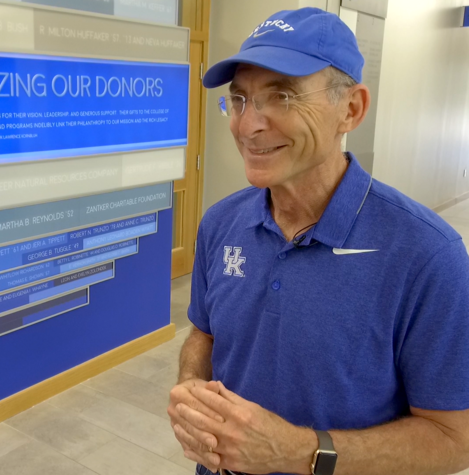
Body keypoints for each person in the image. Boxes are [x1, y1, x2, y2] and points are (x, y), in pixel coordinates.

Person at [167, 8, 469, 475]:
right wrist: (191, 388)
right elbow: (204, 334)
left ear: (351, 109)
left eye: (281, 96)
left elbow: (454, 441)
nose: (248, 126)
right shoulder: (220, 223)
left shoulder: (428, 256)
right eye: (240, 99)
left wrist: (298, 450)